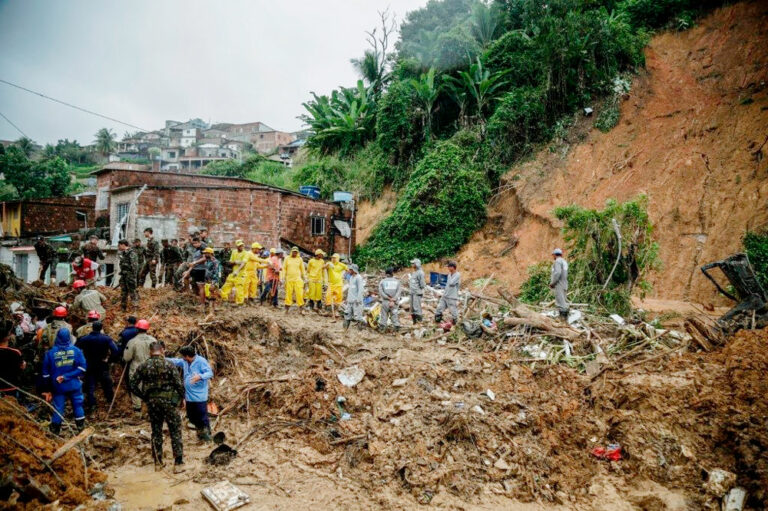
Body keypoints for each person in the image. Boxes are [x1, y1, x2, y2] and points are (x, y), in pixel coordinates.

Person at [129, 341, 185, 472]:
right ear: (163, 350)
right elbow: (178, 384)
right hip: (169, 402)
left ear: (150, 351)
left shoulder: (143, 366)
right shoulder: (169, 364)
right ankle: (178, 463)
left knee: (156, 431)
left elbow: (132, 384)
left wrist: (144, 397)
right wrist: (181, 398)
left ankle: (158, 463)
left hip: (152, 403)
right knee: (175, 431)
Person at [41, 329, 86, 434]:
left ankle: (55, 432)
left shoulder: (50, 353)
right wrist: (68, 376)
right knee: (78, 405)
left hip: (58, 387)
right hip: (74, 385)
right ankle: (81, 428)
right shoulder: (76, 351)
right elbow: (83, 368)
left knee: (59, 408)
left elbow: (45, 374)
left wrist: (47, 390)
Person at [167, 346, 213, 443]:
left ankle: (207, 437)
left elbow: (210, 373)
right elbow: (175, 361)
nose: (182, 358)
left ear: (187, 356)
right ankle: (200, 435)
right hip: (189, 396)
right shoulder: (184, 362)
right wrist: (161, 358)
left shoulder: (201, 361)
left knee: (202, 417)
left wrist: (200, 376)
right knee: (192, 416)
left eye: (183, 356)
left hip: (200, 396)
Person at [76, 321, 118, 413]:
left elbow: (76, 350)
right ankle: (110, 402)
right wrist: (109, 359)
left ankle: (92, 405)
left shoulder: (84, 339)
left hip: (89, 365)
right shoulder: (106, 339)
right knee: (107, 384)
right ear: (101, 328)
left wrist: (81, 361)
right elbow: (115, 351)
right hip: (102, 365)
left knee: (90, 386)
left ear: (92, 328)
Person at [123, 319, 156, 412]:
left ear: (137, 329)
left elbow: (127, 358)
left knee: (136, 387)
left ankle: (137, 410)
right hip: (151, 367)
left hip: (137, 367)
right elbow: (159, 354)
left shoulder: (132, 342)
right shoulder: (154, 340)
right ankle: (150, 409)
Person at [0, 325, 25, 398]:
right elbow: (22, 367)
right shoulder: (15, 352)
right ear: (7, 337)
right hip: (11, 387)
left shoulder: (15, 352)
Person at [378, 268, 402, 332]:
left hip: (385, 302)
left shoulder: (382, 282)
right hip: (394, 303)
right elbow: (399, 291)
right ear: (392, 273)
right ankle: (396, 330)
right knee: (394, 315)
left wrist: (388, 298)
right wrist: (393, 299)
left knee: (384, 316)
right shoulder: (397, 282)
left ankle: (382, 329)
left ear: (386, 274)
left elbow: (381, 292)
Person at [118, 239, 138, 311]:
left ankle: (134, 308)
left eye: (119, 245)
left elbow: (135, 266)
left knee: (132, 292)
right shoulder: (123, 253)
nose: (118, 247)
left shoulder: (132, 253)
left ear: (123, 245)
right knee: (123, 292)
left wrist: (133, 277)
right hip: (124, 276)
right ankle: (123, 308)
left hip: (130, 276)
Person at [549, 248, 569, 321]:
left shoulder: (557, 261)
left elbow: (557, 273)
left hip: (559, 284)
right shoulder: (564, 261)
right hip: (564, 283)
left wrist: (553, 283)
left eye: (553, 255)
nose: (553, 256)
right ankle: (565, 321)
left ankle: (563, 321)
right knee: (564, 301)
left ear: (555, 255)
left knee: (561, 303)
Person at [344, 264, 365, 330]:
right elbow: (350, 289)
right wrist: (347, 299)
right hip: (350, 300)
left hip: (356, 301)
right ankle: (345, 329)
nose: (349, 271)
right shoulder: (351, 278)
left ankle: (361, 330)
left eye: (350, 270)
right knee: (347, 315)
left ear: (354, 270)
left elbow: (360, 290)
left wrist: (358, 300)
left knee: (358, 317)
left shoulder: (358, 278)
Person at [409, 258, 426, 324]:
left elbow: (422, 284)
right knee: (412, 308)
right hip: (412, 293)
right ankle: (414, 323)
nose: (412, 264)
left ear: (417, 264)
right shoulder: (414, 272)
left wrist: (419, 290)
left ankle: (419, 322)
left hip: (417, 293)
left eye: (413, 263)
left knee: (417, 308)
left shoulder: (420, 273)